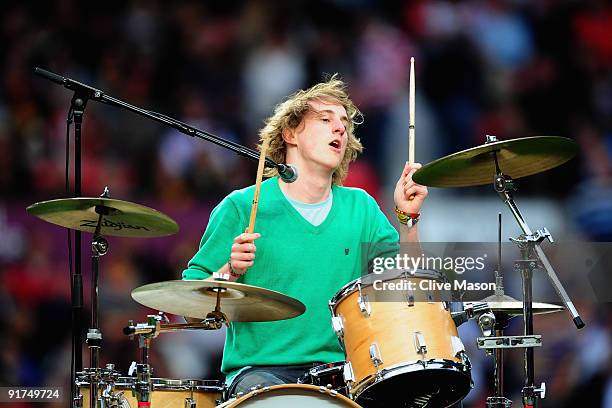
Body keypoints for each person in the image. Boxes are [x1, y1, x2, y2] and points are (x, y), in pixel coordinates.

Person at [182, 75, 428, 398]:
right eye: (325, 120)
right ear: (290, 132)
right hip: (260, 374)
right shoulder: (242, 206)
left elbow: (407, 289)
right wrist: (228, 271)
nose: (339, 128)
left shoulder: (362, 208)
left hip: (346, 374)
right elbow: (189, 305)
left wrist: (408, 220)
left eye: (343, 123)